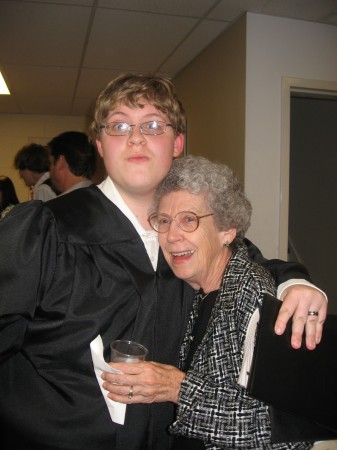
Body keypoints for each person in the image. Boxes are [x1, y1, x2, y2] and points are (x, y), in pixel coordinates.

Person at [0, 73, 326, 450]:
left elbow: (246, 260)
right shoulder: (46, 231)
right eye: (119, 125)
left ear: (177, 144)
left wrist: (296, 282)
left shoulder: (191, 232)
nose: (136, 137)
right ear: (100, 145)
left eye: (153, 125)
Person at [102, 155, 312, 449]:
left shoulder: (251, 293)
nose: (172, 236)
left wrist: (178, 388)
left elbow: (285, 430)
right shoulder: (197, 289)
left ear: (227, 229)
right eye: (164, 221)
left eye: (189, 219)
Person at [48, 131, 97, 195]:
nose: (50, 171)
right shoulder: (105, 200)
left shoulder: (58, 204)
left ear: (60, 163)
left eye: (51, 164)